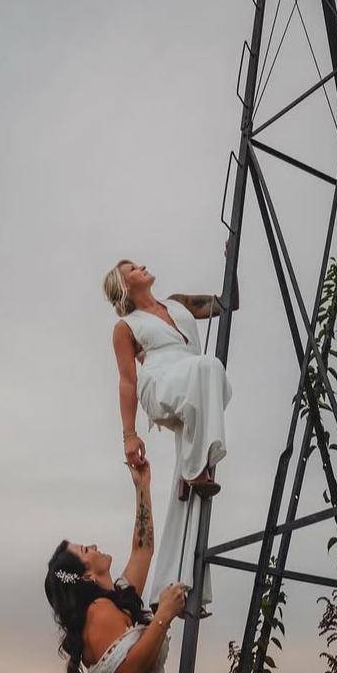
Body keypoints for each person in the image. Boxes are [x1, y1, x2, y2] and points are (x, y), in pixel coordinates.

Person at [102, 259, 235, 611]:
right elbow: (127, 380)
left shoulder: (178, 304)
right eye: (133, 268)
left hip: (195, 383)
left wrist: (231, 261)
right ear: (125, 286)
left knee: (210, 371)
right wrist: (129, 435)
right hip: (161, 385)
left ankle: (176, 587)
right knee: (210, 365)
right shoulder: (126, 327)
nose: (142, 266)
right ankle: (194, 467)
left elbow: (227, 304)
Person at [45, 460, 188, 673]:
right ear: (87, 577)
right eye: (86, 550)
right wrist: (164, 614)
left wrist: (142, 485)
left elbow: (142, 550)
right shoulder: (98, 613)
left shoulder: (117, 596)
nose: (94, 545)